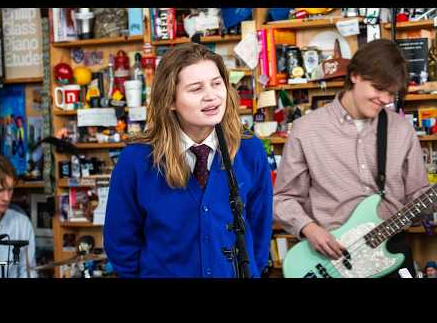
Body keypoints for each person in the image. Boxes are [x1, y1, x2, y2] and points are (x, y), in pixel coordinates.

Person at [104, 43, 272, 278]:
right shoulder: (136, 160)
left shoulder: (249, 149)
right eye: (196, 89)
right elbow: (121, 244)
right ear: (170, 101)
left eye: (216, 83)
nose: (211, 96)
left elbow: (260, 232)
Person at [273, 39, 431, 278]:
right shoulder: (307, 130)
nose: (386, 99)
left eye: (392, 93)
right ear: (355, 75)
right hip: (333, 257)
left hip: (392, 249)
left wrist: (430, 201)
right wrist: (309, 228)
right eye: (378, 88)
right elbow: (283, 198)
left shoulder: (402, 130)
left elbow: (419, 198)